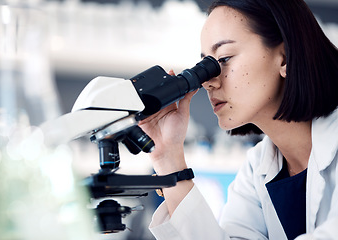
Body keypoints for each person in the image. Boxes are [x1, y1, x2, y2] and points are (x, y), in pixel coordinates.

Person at [138, 0, 338, 239]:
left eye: (223, 59)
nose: (208, 81)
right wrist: (167, 155)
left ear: (284, 58)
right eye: (206, 65)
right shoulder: (257, 169)